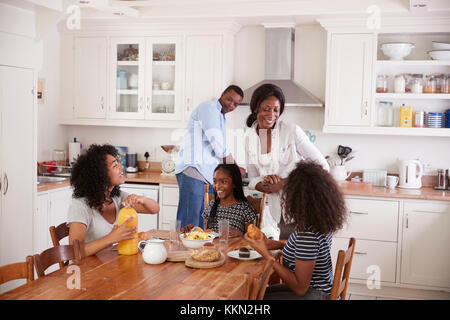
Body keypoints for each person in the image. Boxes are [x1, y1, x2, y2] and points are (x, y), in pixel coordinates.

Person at [245, 161, 347, 300]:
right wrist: (275, 244)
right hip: (321, 289)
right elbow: (308, 252)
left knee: (252, 297)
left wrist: (265, 253)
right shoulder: (319, 223)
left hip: (315, 294)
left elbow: (300, 288)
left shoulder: (307, 236)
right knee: (255, 292)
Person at [244, 83, 329, 239]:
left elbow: (323, 166)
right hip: (280, 214)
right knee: (286, 258)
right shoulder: (249, 138)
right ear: (256, 108)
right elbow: (252, 177)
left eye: (276, 110)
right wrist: (263, 185)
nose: (271, 115)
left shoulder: (291, 131)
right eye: (266, 109)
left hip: (305, 207)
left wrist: (283, 182)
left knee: (304, 258)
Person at [68, 144, 160, 256]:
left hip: (107, 263)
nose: (121, 167)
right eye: (115, 165)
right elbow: (74, 251)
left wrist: (142, 199)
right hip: (86, 270)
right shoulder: (80, 206)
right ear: (100, 175)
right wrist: (111, 238)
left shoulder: (117, 198)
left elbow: (154, 209)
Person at [175, 85, 245, 229]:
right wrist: (235, 168)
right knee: (190, 221)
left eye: (235, 104)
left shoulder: (220, 116)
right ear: (222, 94)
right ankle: (182, 252)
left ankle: (198, 252)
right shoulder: (208, 108)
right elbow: (218, 144)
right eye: (229, 99)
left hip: (205, 174)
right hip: (193, 169)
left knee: (203, 224)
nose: (231, 105)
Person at [202, 164, 256, 237]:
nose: (217, 186)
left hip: (235, 247)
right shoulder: (212, 205)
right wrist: (193, 230)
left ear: (234, 184)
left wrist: (240, 234)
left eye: (223, 182)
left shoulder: (244, 208)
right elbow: (204, 233)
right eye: (215, 181)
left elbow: (251, 238)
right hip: (212, 247)